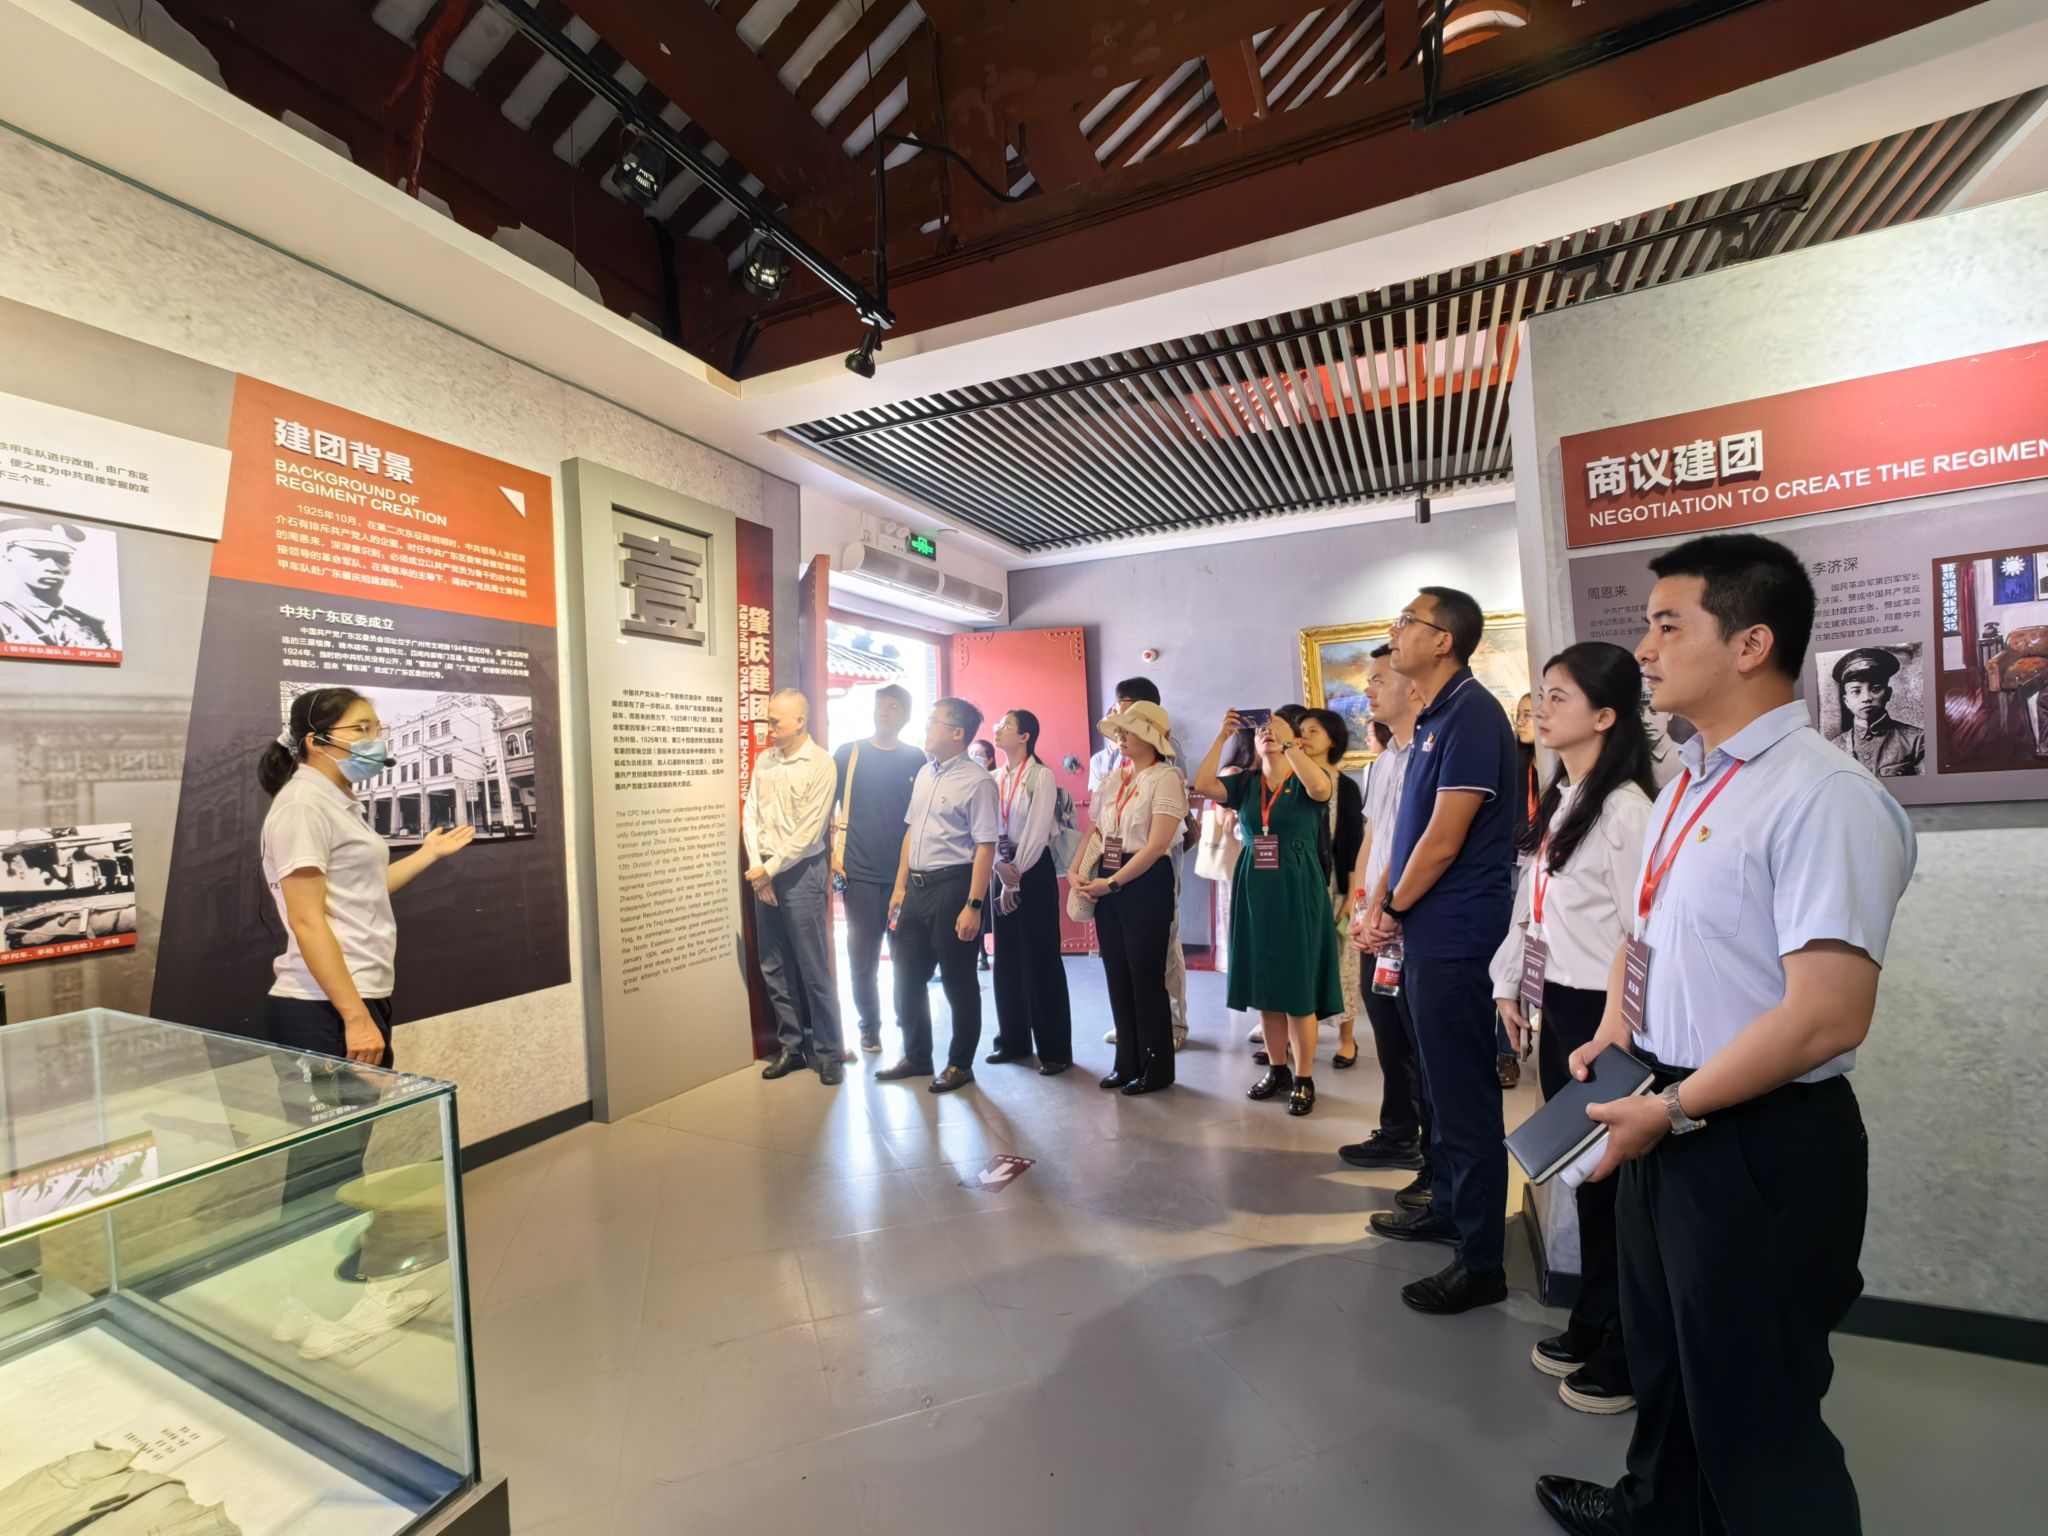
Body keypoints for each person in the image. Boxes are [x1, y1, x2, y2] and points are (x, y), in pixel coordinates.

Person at [1535, 534, 1916, 1536]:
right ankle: (1653, 1514)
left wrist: (1671, 1107)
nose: (1644, 649)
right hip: (1663, 1106)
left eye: (1668, 625)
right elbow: (1643, 933)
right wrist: (1616, 1032)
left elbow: (1827, 1013)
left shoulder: (1823, 796)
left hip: (1755, 1138)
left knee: (1756, 1407)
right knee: (1665, 1359)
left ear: (1751, 644)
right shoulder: (1690, 784)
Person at [1489, 643, 1655, 1418]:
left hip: (1606, 1016)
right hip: (1562, 1003)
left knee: (1616, 1183)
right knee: (1584, 1175)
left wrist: (1622, 1027)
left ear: (1606, 715)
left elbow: (1643, 933)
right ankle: (1596, 1315)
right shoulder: (1566, 796)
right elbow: (1537, 911)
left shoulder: (1625, 810)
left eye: (1559, 696)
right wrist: (1514, 987)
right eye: (1542, 693)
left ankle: (1627, 1345)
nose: (1542, 708)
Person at [1363, 587, 1517, 1315]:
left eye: (1407, 622)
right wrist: (1387, 907)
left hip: (1457, 934)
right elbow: (1409, 834)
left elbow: (1445, 839)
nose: (1395, 633)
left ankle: (1481, 1262)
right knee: (1439, 1087)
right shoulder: (1434, 716)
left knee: (1465, 1098)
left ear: (1444, 640)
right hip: (1427, 930)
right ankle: (1452, 1209)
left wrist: (1393, 909)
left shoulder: (1474, 714)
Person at [257, 686, 473, 1065]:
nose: (375, 740)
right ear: (315, 741)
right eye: (360, 729)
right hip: (324, 1005)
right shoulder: (303, 805)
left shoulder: (336, 802)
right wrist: (355, 1018)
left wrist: (428, 853)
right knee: (342, 1107)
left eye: (376, 729)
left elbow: (363, 890)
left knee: (364, 1104)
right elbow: (306, 920)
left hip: (356, 993)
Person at [1194, 707, 1341, 1116]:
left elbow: (1321, 789)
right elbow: (1203, 784)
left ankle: (1304, 1077)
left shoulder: (1309, 777)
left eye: (1275, 728)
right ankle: (1278, 1070)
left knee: (1298, 988)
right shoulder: (1246, 782)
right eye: (1261, 730)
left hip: (1298, 886)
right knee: (1266, 985)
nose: (1267, 733)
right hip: (1255, 886)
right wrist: (1222, 736)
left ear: (1293, 737)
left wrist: (1289, 744)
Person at [1337, 648, 1433, 1197]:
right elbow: (1372, 839)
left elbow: (1416, 844)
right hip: (1377, 920)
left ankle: (1431, 1154)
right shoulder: (1382, 763)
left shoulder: (1429, 754)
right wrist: (1360, 907)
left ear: (1413, 685)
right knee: (1390, 1038)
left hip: (1408, 919)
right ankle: (1398, 1132)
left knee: (1422, 1043)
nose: (1368, 690)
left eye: (1378, 679)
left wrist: (1382, 909)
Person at [879, 698, 999, 1093]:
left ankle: (960, 1064)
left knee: (958, 981)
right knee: (906, 976)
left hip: (953, 888)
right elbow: (911, 830)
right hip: (915, 888)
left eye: (934, 721)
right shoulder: (924, 773)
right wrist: (899, 885)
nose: (927, 727)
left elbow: (985, 846)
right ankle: (917, 1056)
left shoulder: (978, 781)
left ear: (957, 733)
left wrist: (974, 905)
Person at [1078, 701, 1187, 1094]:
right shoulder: (1114, 778)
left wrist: (1112, 883)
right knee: (1117, 973)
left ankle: (1155, 1068)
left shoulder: (1166, 777)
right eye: (1119, 730)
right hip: (1109, 873)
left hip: (1145, 880)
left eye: (1129, 730)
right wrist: (1077, 869)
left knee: (1145, 974)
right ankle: (1126, 1061)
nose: (1120, 737)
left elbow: (1156, 846)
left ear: (1151, 736)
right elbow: (1096, 831)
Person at [743, 688, 845, 1086]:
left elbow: (809, 832)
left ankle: (829, 1051)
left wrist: (766, 870)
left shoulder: (821, 764)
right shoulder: (765, 760)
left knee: (812, 965)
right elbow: (751, 813)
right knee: (773, 964)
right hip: (765, 871)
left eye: (775, 721)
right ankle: (792, 1047)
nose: (769, 727)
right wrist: (758, 867)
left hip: (801, 872)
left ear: (800, 721)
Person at [1091, 678, 1196, 1050]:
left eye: (1128, 706)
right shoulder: (1105, 758)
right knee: (1122, 955)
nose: (1119, 714)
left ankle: (1172, 1022)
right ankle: (1132, 1026)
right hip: (1114, 856)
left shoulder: (1168, 756)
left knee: (1162, 942)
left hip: (1156, 857)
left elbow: (1167, 822)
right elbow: (1100, 818)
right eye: (1118, 705)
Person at [833, 684, 924, 1054]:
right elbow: (826, 807)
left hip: (904, 876)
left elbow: (920, 819)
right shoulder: (849, 753)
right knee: (862, 959)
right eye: (880, 706)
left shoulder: (915, 758)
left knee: (906, 960)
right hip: (860, 874)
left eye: (893, 707)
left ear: (906, 716)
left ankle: (908, 1027)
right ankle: (869, 1026)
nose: (885, 712)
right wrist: (831, 856)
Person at [985, 709, 1074, 1075]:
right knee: (1005, 958)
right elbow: (985, 829)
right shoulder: (992, 778)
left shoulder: (1041, 776)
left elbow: (1037, 832)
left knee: (1041, 959)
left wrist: (1014, 878)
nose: (997, 730)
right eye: (998, 725)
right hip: (1001, 867)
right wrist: (998, 868)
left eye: (1006, 726)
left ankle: (1054, 1051)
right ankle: (1013, 1041)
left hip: (1031, 870)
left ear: (1025, 736)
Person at [1296, 707, 1365, 1068]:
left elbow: (1353, 844)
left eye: (1314, 731)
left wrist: (1352, 895)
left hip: (1334, 883)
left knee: (1343, 963)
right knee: (1297, 963)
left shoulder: (1345, 786)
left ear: (1333, 740)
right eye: (1302, 731)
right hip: (1296, 883)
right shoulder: (1290, 779)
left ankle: (1346, 1038)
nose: (1305, 737)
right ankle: (1291, 1037)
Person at [0, 517, 112, 650]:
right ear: (8, 556)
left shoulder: (92, 624)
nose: (53, 568)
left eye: (62, 559)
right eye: (38, 556)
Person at [1830, 647, 1925, 777]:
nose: (1866, 698)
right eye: (1856, 691)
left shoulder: (1916, 740)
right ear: (1846, 701)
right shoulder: (1834, 747)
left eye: (1876, 689)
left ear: (1888, 694)